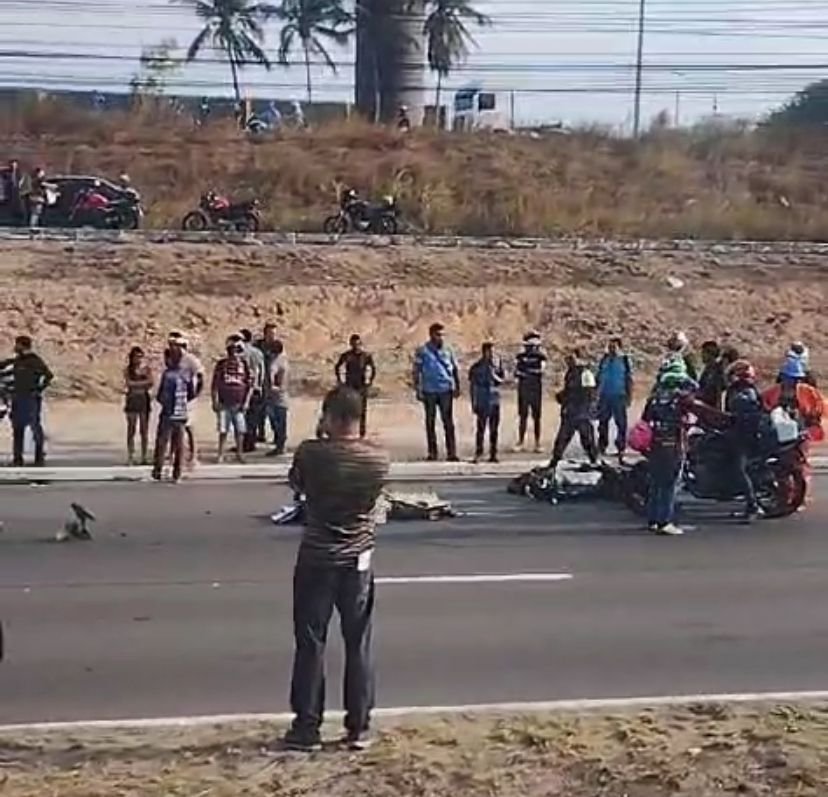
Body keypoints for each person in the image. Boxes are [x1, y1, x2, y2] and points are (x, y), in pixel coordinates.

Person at [284, 386, 390, 752]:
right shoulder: (378, 459)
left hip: (317, 557)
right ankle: (359, 726)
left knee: (311, 641)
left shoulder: (312, 453)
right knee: (358, 641)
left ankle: (307, 727)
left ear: (328, 417)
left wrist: (319, 437)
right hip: (358, 559)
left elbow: (297, 486)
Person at [641, 364, 696, 535]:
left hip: (656, 444)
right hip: (673, 446)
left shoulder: (654, 399)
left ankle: (653, 519)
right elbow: (691, 416)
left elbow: (646, 418)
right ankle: (665, 521)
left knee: (656, 483)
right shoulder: (679, 400)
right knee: (669, 485)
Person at [0, 336, 53, 467]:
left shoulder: (35, 361)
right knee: (17, 429)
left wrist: (39, 389)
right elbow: (7, 370)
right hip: (18, 398)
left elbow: (48, 375)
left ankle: (39, 458)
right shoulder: (17, 361)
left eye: (17, 345)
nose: (15, 347)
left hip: (31, 398)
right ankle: (18, 459)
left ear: (23, 345)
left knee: (35, 428)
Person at [723, 359, 765, 522]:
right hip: (739, 433)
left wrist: (732, 420)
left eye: (733, 375)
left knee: (739, 469)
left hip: (745, 436)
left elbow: (742, 415)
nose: (730, 378)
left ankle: (753, 506)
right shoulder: (737, 390)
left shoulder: (746, 393)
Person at [412, 323, 460, 462]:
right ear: (431, 335)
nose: (441, 338)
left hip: (446, 389)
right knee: (430, 422)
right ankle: (432, 452)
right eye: (438, 334)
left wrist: (457, 386)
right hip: (429, 390)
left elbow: (455, 368)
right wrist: (418, 388)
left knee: (448, 422)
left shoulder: (449, 350)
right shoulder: (422, 351)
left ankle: (452, 452)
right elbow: (416, 371)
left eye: (442, 335)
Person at [548, 350, 598, 470]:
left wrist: (584, 407)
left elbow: (590, 393)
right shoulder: (570, 374)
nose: (569, 361)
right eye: (567, 359)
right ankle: (554, 462)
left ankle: (594, 460)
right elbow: (568, 391)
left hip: (582, 413)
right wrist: (562, 397)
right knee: (562, 440)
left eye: (571, 358)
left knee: (587, 440)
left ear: (578, 358)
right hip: (570, 412)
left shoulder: (586, 373)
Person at [152, 347, 194, 483]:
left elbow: (162, 395)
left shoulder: (168, 375)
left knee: (162, 442)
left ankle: (158, 470)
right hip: (181, 413)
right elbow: (192, 392)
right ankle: (178, 473)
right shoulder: (186, 374)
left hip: (169, 413)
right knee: (179, 444)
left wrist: (164, 403)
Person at [211, 337, 252, 464]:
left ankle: (239, 453)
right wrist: (214, 401)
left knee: (240, 430)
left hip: (239, 403)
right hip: (224, 402)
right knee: (223, 430)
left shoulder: (244, 365)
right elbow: (215, 384)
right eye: (231, 350)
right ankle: (220, 454)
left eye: (237, 350)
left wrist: (247, 402)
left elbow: (250, 385)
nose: (234, 354)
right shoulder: (222, 364)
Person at [167, 332, 205, 468]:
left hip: (188, 397)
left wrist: (195, 394)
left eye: (174, 345)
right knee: (174, 426)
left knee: (188, 427)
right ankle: (173, 454)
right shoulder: (171, 359)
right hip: (175, 397)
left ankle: (193, 456)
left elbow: (200, 376)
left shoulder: (190, 360)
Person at [596, 337, 633, 462]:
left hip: (619, 395)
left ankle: (621, 447)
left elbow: (629, 379)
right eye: (610, 346)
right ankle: (602, 445)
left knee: (621, 423)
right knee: (602, 422)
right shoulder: (604, 360)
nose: (611, 349)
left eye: (614, 346)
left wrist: (629, 396)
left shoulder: (624, 360)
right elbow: (599, 376)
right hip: (605, 395)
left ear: (619, 348)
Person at [468, 342, 505, 463]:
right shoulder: (476, 367)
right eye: (489, 351)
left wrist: (494, 375)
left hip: (494, 399)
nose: (491, 354)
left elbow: (502, 380)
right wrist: (473, 401)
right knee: (481, 428)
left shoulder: (497, 366)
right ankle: (479, 452)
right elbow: (472, 385)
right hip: (482, 399)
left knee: (494, 428)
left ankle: (493, 454)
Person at [335, 334, 376, 438]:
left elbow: (373, 369)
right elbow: (338, 366)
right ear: (350, 344)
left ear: (360, 344)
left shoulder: (366, 356)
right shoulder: (347, 355)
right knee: (346, 407)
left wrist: (369, 381)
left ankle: (362, 432)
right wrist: (340, 381)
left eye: (357, 344)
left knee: (362, 410)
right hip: (349, 385)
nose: (355, 346)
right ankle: (345, 430)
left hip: (361, 385)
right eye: (353, 344)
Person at [514, 331, 547, 453]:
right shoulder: (520, 357)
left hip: (535, 390)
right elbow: (516, 372)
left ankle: (537, 443)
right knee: (523, 416)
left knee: (536, 417)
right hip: (523, 390)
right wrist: (530, 373)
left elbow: (541, 371)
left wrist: (526, 373)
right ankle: (521, 441)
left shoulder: (541, 357)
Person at [124, 346, 153, 466]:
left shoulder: (146, 369)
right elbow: (129, 383)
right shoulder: (128, 370)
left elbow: (150, 382)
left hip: (143, 399)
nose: (139, 359)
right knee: (131, 429)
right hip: (132, 400)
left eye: (141, 357)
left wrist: (137, 385)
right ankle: (131, 455)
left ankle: (144, 455)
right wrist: (141, 384)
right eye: (137, 357)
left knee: (144, 430)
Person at [239, 328, 265, 453]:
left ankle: (245, 443)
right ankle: (251, 441)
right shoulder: (258, 352)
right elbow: (262, 370)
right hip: (256, 388)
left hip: (244, 387)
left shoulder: (243, 353)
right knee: (253, 417)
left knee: (244, 417)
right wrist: (260, 385)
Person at [265, 339, 289, 456]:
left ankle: (280, 446)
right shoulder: (284, 360)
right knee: (281, 421)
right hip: (284, 395)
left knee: (277, 422)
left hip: (275, 396)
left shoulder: (274, 364)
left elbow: (270, 378)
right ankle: (281, 445)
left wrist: (270, 388)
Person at [697, 340, 727, 410]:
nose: (702, 355)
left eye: (704, 352)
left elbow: (715, 392)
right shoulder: (708, 369)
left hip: (712, 408)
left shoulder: (718, 371)